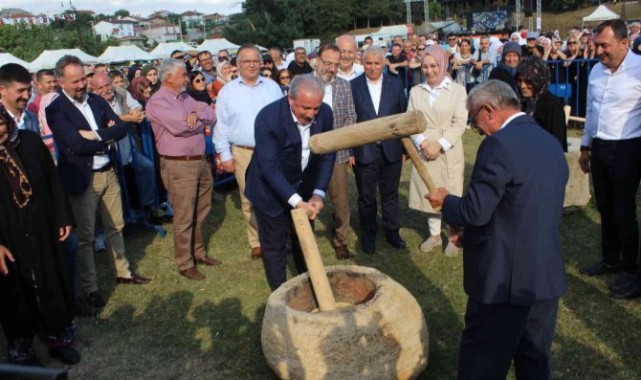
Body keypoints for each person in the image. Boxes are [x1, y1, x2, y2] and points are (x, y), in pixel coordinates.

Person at [427, 79, 568, 380]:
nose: (478, 131)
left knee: (483, 365)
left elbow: (474, 211)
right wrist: (476, 234)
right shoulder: (550, 142)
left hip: (503, 282)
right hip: (544, 276)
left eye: (476, 123)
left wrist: (446, 201)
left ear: (488, 110)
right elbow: (522, 205)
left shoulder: (498, 144)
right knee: (534, 361)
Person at [46, 55, 150, 316]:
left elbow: (121, 130)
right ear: (61, 82)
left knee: (116, 225)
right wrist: (105, 134)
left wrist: (93, 135)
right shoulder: (56, 109)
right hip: (83, 180)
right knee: (86, 238)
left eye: (84, 78)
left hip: (108, 171)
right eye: (76, 81)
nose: (83, 84)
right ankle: (89, 289)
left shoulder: (96, 99)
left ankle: (123, 272)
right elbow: (75, 144)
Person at [0, 104, 80, 366]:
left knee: (50, 282)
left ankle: (57, 338)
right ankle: (22, 349)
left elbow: (53, 181)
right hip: (7, 237)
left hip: (42, 228)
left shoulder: (31, 142)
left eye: (2, 128)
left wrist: (62, 216)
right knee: (14, 291)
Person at [245, 74, 336, 290]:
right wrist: (297, 202)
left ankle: (309, 286)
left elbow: (327, 154)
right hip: (269, 191)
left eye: (316, 108)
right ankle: (280, 297)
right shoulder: (268, 118)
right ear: (290, 98)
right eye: (306, 108)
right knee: (275, 246)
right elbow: (269, 168)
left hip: (304, 187)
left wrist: (318, 193)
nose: (311, 114)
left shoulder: (325, 114)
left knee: (304, 240)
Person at [578, 20, 641, 299]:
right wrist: (585, 146)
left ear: (624, 43)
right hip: (600, 146)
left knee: (623, 210)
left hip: (628, 147)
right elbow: (592, 112)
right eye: (596, 45)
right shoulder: (595, 71)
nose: (599, 50)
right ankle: (610, 259)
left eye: (605, 45)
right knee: (604, 207)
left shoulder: (639, 71)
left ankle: (629, 268)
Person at [146, 59, 221, 281]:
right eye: (182, 74)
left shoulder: (186, 97)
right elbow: (180, 127)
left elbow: (212, 114)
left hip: (200, 161)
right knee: (184, 214)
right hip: (179, 164)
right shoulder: (158, 102)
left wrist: (197, 114)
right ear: (168, 77)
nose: (186, 78)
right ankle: (185, 262)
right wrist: (198, 117)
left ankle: (198, 253)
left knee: (202, 209)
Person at [214, 44, 284, 260]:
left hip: (273, 150)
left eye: (255, 60)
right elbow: (222, 126)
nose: (252, 65)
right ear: (238, 64)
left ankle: (279, 236)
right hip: (243, 152)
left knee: (277, 193)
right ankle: (257, 241)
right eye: (247, 61)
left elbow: (283, 119)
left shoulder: (273, 87)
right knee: (249, 197)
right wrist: (225, 155)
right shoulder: (227, 92)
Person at [408, 46, 468, 256]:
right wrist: (424, 143)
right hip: (424, 148)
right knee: (430, 191)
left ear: (443, 64)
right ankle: (434, 234)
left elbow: (460, 123)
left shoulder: (458, 90)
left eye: (433, 65)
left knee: (449, 192)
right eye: (425, 66)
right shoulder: (416, 91)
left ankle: (454, 234)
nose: (429, 70)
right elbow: (410, 122)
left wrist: (440, 144)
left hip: (448, 149)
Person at [350, 46, 406, 255]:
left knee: (390, 194)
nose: (372, 68)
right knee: (366, 197)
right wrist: (351, 152)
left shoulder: (395, 84)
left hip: (391, 150)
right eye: (368, 63)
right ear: (362, 63)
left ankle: (392, 232)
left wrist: (403, 148)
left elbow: (402, 117)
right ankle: (369, 234)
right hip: (364, 151)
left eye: (377, 63)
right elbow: (350, 122)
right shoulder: (353, 86)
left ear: (384, 63)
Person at [314, 44, 357, 260]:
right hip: (309, 154)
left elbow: (351, 116)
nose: (331, 68)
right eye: (328, 63)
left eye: (336, 65)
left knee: (341, 202)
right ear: (317, 61)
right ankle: (305, 237)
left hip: (337, 153)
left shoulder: (344, 86)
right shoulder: (304, 83)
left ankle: (341, 240)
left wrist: (339, 140)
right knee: (305, 197)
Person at [515, 56, 567, 152]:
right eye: (519, 81)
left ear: (539, 79)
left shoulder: (552, 105)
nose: (522, 86)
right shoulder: (520, 102)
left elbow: (557, 145)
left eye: (528, 81)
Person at [0, 63, 40, 135]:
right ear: (2, 90)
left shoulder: (32, 118)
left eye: (29, 89)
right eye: (20, 91)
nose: (26, 96)